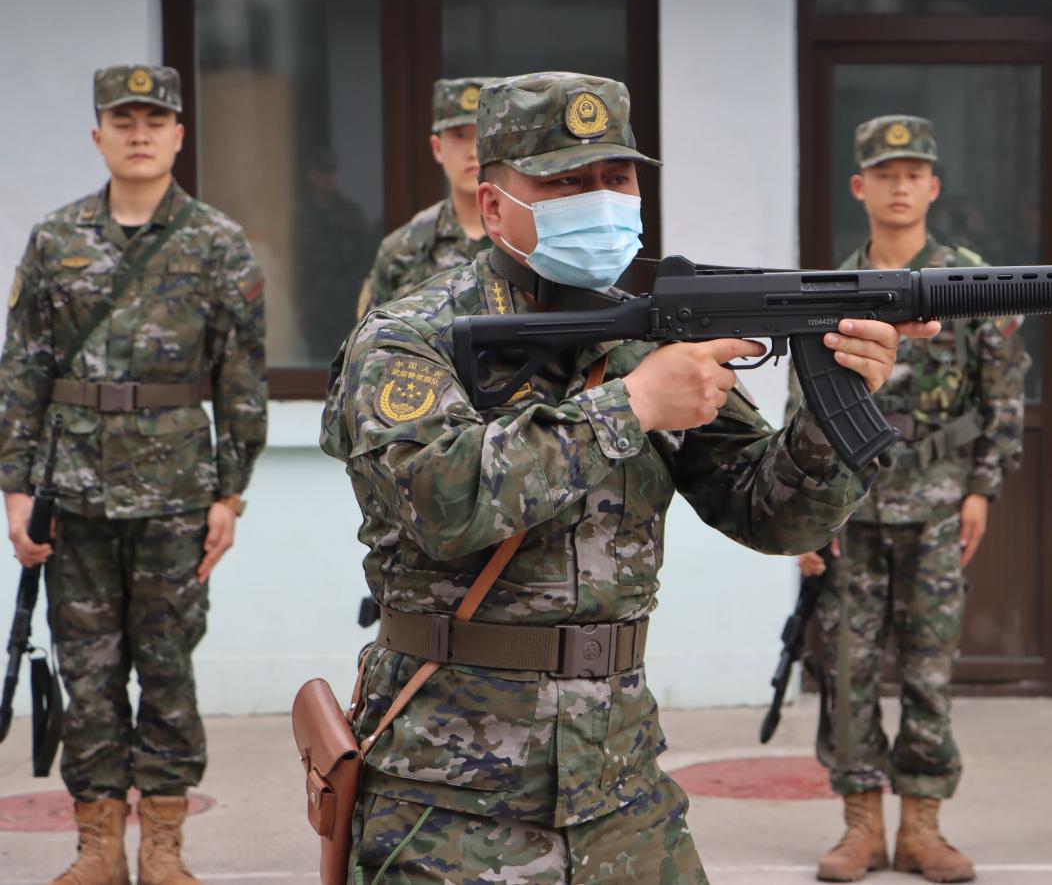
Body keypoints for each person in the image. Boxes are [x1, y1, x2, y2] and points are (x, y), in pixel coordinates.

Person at [320, 72, 935, 883]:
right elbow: (444, 501)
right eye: (566, 182)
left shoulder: (648, 337)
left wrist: (832, 408)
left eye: (616, 179)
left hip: (618, 786)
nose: (600, 200)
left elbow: (771, 515)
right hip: (451, 800)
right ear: (495, 202)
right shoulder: (408, 339)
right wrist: (632, 406)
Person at [0, 64, 268, 885]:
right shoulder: (56, 240)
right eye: (123, 120)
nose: (140, 132)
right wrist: (16, 488)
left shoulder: (217, 242)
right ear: (99, 135)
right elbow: (23, 369)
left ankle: (163, 846)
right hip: (72, 494)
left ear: (180, 134)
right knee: (86, 670)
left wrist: (229, 493)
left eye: (156, 119)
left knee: (167, 669)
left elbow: (242, 378)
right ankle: (95, 846)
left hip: (176, 495)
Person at [791, 115, 1028, 883]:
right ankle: (860, 824)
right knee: (847, 667)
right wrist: (801, 513)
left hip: (935, 501)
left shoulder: (968, 280)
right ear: (860, 187)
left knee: (928, 667)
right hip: (849, 512)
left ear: (932, 186)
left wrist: (982, 488)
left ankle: (922, 824)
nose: (899, 185)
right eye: (883, 173)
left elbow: (1002, 393)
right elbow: (802, 411)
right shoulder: (826, 290)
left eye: (912, 172)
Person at [357, 77, 495, 314]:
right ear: (437, 148)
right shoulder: (402, 250)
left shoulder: (526, 240)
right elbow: (372, 343)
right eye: (459, 136)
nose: (473, 152)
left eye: (483, 134)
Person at [294, 147, 375, 363]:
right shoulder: (298, 216)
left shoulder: (350, 215)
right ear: (311, 175)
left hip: (345, 307)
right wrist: (299, 307)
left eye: (332, 171)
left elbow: (364, 264)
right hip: (313, 310)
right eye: (323, 171)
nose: (329, 178)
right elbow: (291, 267)